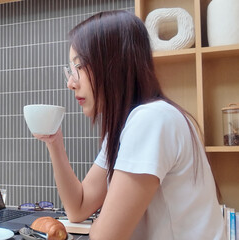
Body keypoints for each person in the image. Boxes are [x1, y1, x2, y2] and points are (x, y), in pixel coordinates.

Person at [33, 10, 225, 240]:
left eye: (79, 67)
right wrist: (54, 143)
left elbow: (104, 237)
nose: (71, 83)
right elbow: (78, 208)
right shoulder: (130, 125)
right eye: (70, 70)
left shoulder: (150, 120)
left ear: (114, 64)